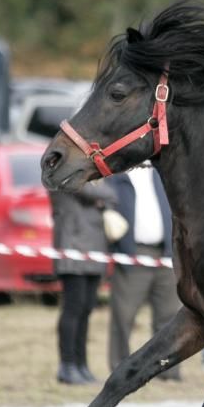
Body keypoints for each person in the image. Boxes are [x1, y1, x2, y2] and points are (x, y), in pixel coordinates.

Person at [105, 163, 182, 379]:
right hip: (133, 254)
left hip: (164, 253)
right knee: (124, 316)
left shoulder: (161, 174)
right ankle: (119, 370)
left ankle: (167, 370)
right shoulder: (117, 177)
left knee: (168, 317)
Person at [50, 181, 117, 385]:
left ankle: (81, 364)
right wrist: (100, 198)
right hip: (72, 246)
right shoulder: (63, 171)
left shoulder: (89, 175)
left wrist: (101, 197)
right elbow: (87, 190)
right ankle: (67, 365)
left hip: (95, 248)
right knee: (73, 309)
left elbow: (113, 194)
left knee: (87, 309)